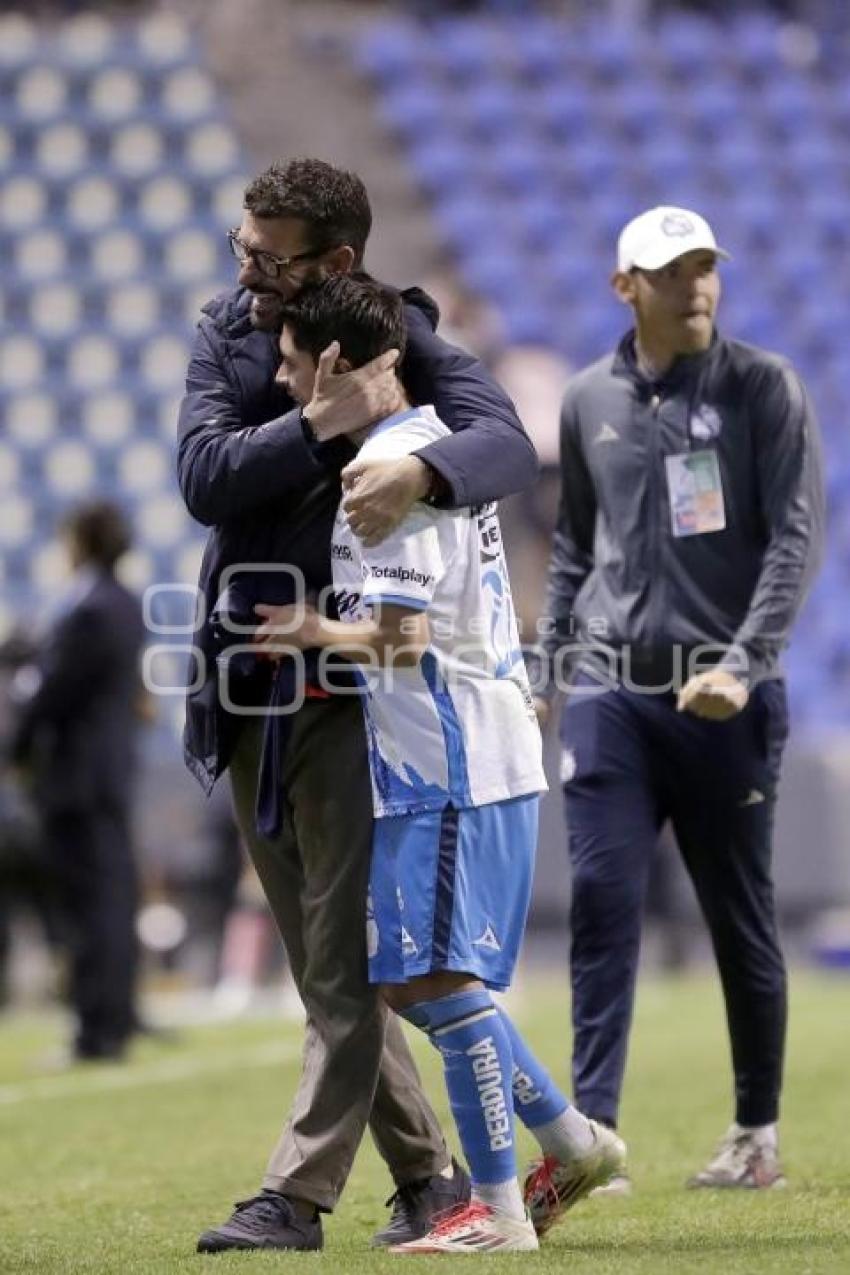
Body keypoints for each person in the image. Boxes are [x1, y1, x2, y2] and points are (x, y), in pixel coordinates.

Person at [177, 159, 539, 1253]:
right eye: (240, 246)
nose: (243, 273)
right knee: (328, 964)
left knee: (340, 965)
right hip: (244, 679)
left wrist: (419, 474)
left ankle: (295, 1195)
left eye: (264, 256)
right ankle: (435, 1178)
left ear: (334, 260)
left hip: (348, 692)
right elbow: (201, 475)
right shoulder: (223, 333)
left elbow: (507, 442)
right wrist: (316, 425)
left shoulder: (409, 337)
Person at [253, 272, 626, 1253]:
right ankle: (570, 1140)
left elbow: (402, 640)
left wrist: (306, 631)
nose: (288, 384)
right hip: (449, 753)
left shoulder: (390, 470)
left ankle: (501, 1213)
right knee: (417, 982)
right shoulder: (428, 451)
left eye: (293, 365)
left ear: (335, 361)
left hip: (452, 761)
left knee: (437, 982)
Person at [535, 206, 824, 1191]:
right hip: (613, 693)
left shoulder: (762, 388)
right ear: (626, 287)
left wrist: (742, 665)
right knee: (602, 903)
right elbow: (575, 545)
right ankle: (594, 1141)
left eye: (703, 268)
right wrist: (548, 669)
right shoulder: (585, 401)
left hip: (727, 703)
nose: (694, 286)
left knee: (738, 918)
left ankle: (753, 1135)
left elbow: (793, 540)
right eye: (670, 272)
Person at [11, 501, 146, 1061]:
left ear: (82, 541)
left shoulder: (87, 607)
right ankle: (115, 1019)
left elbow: (50, 694)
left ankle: (96, 1029)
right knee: (110, 899)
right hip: (108, 773)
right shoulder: (126, 603)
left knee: (90, 907)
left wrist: (16, 747)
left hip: (78, 778)